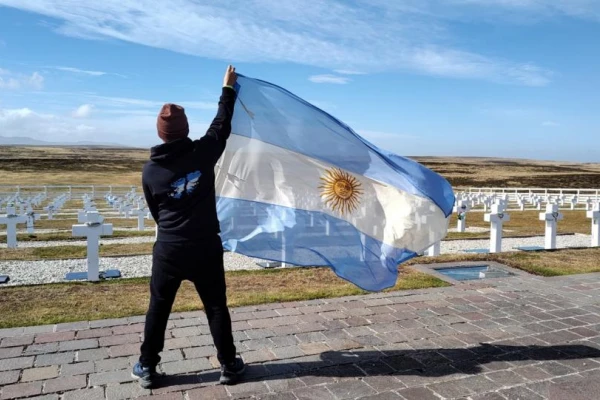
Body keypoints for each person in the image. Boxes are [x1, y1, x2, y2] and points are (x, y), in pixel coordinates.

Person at [132, 65, 245, 389]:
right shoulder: (202, 153)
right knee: (215, 306)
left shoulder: (151, 171)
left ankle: (148, 367)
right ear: (185, 130)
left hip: (169, 247)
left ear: (160, 133)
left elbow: (156, 211)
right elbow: (221, 125)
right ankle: (228, 365)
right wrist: (227, 89)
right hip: (205, 246)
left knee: (159, 307)